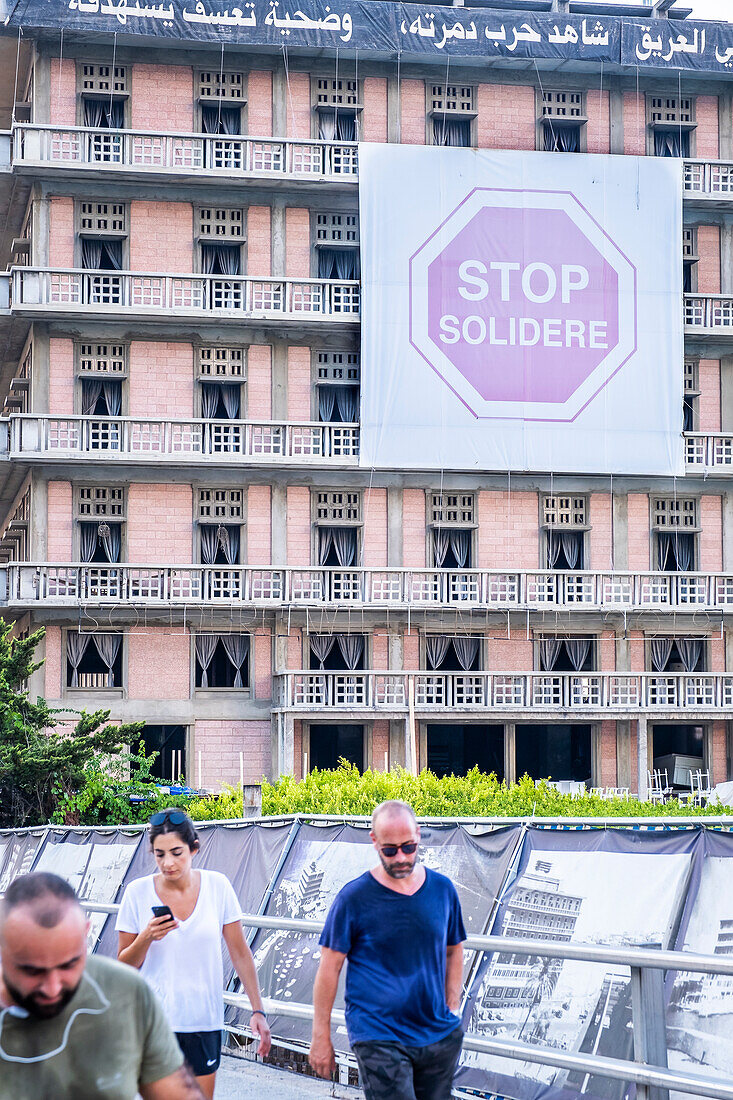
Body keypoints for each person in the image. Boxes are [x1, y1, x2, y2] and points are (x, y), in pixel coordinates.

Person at [309, 799, 466, 1100]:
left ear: (418, 835)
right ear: (374, 841)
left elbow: (454, 948)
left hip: (436, 1034)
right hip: (377, 1033)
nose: (401, 857)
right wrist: (320, 1035)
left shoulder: (442, 889)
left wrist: (452, 1009)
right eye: (390, 850)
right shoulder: (353, 898)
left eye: (408, 847)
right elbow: (329, 968)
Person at [0, 871, 202, 1100]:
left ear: (86, 933)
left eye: (69, 965)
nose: (53, 988)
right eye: (32, 971)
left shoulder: (126, 993)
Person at [116, 808, 271, 1100]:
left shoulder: (218, 887)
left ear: (194, 848)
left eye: (176, 852)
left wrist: (257, 1010)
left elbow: (240, 953)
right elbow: (123, 965)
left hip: (204, 1021)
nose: (168, 862)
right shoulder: (137, 893)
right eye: (159, 854)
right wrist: (147, 937)